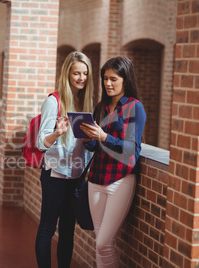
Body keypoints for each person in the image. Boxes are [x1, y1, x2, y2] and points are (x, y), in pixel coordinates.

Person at [80, 56, 146, 268]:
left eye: (113, 79)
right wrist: (88, 140)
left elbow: (131, 150)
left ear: (125, 80)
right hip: (96, 179)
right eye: (105, 78)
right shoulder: (101, 107)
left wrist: (104, 137)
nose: (108, 83)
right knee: (100, 242)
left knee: (104, 244)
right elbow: (94, 148)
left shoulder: (135, 108)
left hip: (120, 179)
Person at [35, 51, 94, 268]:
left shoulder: (86, 102)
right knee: (48, 228)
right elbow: (41, 143)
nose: (81, 78)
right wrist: (57, 133)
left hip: (76, 175)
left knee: (68, 232)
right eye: (76, 73)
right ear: (67, 74)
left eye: (85, 73)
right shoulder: (54, 101)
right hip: (55, 175)